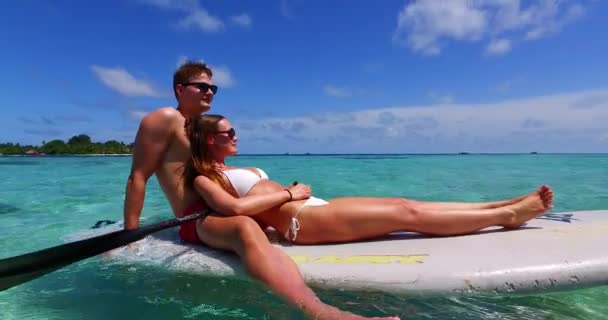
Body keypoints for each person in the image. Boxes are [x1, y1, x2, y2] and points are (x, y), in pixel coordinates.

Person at [123, 61, 393, 320]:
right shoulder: (165, 118)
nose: (209, 92)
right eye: (201, 87)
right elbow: (138, 176)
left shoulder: (200, 128)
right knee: (243, 227)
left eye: (213, 88)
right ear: (180, 90)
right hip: (198, 217)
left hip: (221, 204)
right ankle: (319, 311)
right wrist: (130, 235)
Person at [183, 114, 555, 245]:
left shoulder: (235, 169)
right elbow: (231, 208)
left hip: (314, 209)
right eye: (228, 133)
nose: (235, 136)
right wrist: (288, 192)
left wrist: (290, 198)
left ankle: (501, 205)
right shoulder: (204, 178)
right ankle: (506, 217)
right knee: (404, 216)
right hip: (302, 222)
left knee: (406, 204)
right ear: (209, 139)